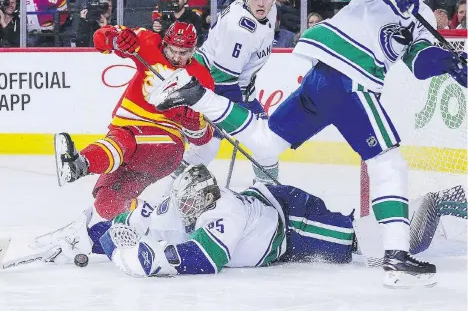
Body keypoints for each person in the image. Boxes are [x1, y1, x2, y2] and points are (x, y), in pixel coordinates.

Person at [147, 0, 467, 287]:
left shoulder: (419, 17)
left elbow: (419, 64)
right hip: (350, 77)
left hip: (324, 82)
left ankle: (197, 95)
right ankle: (396, 258)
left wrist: (450, 62)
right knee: (389, 163)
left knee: (267, 145)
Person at [29, 165, 466, 285]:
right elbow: (129, 221)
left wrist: (136, 258)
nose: (187, 208)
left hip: (293, 224)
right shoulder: (185, 206)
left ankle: (438, 203)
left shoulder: (223, 212)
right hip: (277, 216)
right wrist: (87, 236)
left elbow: (202, 259)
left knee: (370, 248)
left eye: (193, 201)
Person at [53, 21, 215, 221]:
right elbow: (99, 39)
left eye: (184, 53)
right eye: (172, 50)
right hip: (130, 143)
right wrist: (114, 38)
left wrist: (195, 124)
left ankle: (81, 165)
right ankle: (156, 220)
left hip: (166, 147)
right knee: (107, 203)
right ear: (164, 44)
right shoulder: (147, 42)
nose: (176, 57)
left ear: (193, 50)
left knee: (125, 138)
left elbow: (203, 137)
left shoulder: (202, 79)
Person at [176, 0, 279, 185]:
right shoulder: (240, 30)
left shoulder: (268, 11)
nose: (261, 3)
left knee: (261, 142)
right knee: (257, 141)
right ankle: (171, 188)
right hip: (212, 86)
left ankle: (267, 192)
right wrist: (239, 117)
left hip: (228, 85)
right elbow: (222, 79)